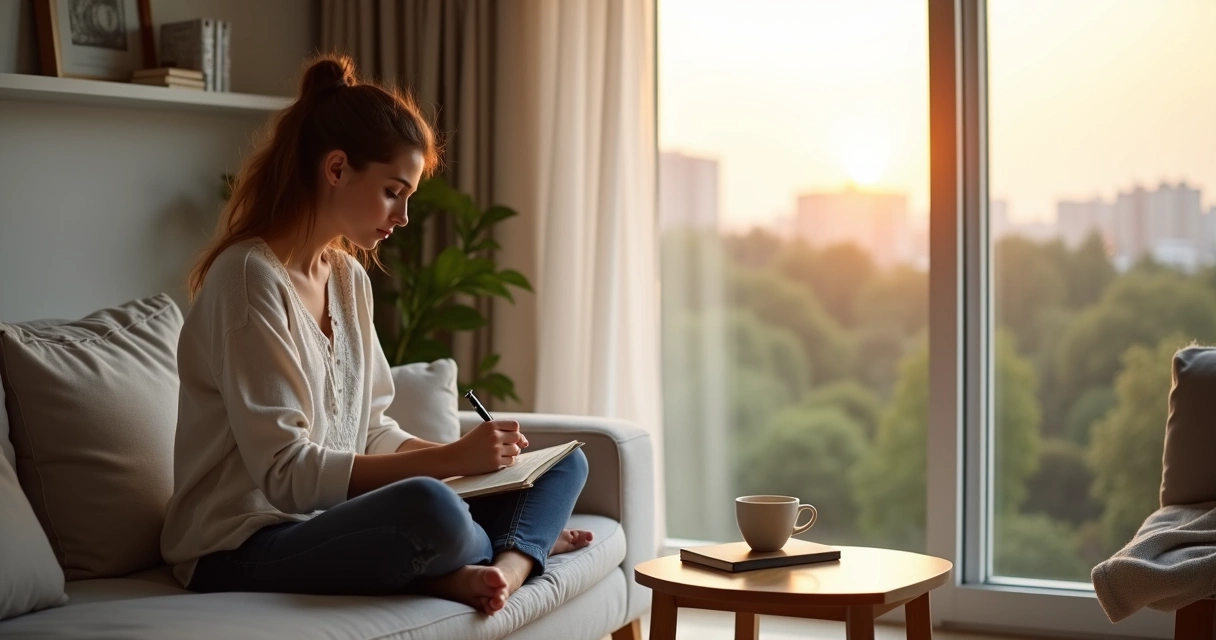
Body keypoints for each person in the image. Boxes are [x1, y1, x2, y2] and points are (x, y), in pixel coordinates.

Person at [160, 54, 591, 616]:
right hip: (239, 545)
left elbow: (372, 432)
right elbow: (287, 476)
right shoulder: (247, 279)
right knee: (428, 507)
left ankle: (502, 565)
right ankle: (519, 547)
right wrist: (449, 462)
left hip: (335, 526)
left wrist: (477, 463)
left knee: (564, 465)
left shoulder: (347, 277)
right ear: (336, 169)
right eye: (394, 191)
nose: (403, 216)